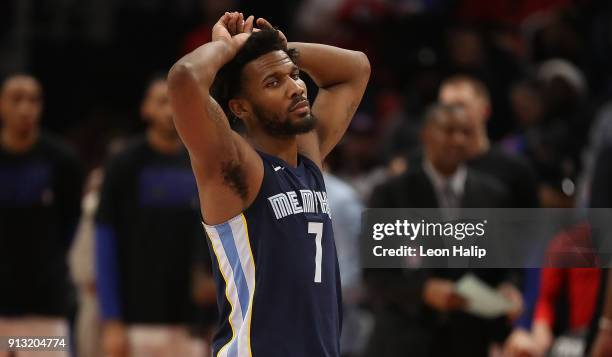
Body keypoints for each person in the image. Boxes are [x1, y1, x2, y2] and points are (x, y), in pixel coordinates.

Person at [167, 11, 370, 357]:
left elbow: (355, 68)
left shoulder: (308, 156)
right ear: (240, 108)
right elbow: (185, 77)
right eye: (273, 83)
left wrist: (277, 46)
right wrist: (227, 48)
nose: (295, 86)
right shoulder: (238, 169)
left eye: (293, 74)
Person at [365, 103, 521, 357]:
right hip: (404, 340)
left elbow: (507, 267)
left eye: (466, 132)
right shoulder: (391, 194)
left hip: (469, 341)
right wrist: (423, 291)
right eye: (449, 131)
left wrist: (509, 287)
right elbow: (374, 277)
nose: (458, 140)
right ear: (426, 134)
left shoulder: (494, 196)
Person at [95, 75, 209, 357]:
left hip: (193, 323)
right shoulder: (124, 164)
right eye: (162, 102)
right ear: (145, 109)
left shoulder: (203, 162)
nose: (170, 110)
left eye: (177, 102)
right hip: (137, 320)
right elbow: (105, 241)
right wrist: (112, 321)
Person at [0, 74, 84, 357]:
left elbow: (70, 223)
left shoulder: (62, 160)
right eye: (17, 99)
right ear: (2, 104)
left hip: (45, 308)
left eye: (34, 100)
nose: (26, 108)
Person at [439, 75, 539, 208]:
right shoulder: (428, 168)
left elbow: (531, 226)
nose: (452, 115)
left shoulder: (515, 169)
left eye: (460, 106)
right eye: (445, 108)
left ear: (485, 110)